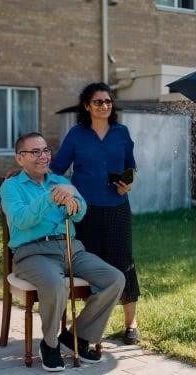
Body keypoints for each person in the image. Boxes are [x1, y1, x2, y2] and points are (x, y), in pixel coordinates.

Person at [0, 132, 125, 372]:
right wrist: (50, 198)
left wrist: (73, 204)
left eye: (45, 150)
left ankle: (77, 336)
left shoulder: (61, 181)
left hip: (71, 248)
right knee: (56, 284)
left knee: (115, 278)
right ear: (20, 159)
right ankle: (50, 344)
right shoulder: (11, 187)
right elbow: (21, 220)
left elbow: (81, 212)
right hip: (32, 253)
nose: (43, 156)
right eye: (35, 152)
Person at [50, 82, 141, 345]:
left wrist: (128, 184)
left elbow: (131, 168)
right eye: (98, 102)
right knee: (89, 265)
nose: (104, 106)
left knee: (124, 262)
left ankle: (131, 324)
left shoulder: (122, 133)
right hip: (84, 211)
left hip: (117, 209)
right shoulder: (76, 135)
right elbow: (57, 169)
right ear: (87, 106)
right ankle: (89, 327)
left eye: (108, 101)